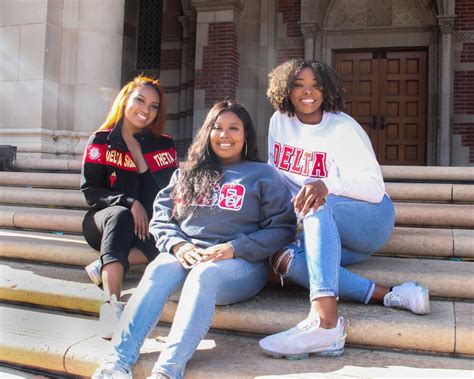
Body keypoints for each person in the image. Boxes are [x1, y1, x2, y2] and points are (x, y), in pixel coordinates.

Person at [91, 100, 296, 379]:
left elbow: (283, 228)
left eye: (233, 128)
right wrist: (178, 244)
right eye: (217, 128)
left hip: (238, 265)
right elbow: (161, 217)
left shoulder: (263, 175)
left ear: (246, 134)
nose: (225, 135)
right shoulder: (187, 173)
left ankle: (167, 371)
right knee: (160, 268)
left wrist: (234, 248)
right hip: (185, 256)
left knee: (205, 275)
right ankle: (116, 364)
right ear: (207, 133)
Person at [258, 59, 431, 360]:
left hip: (368, 220)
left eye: (315, 85)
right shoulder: (279, 121)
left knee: (316, 201)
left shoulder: (343, 128)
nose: (307, 92)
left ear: (326, 90)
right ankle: (390, 294)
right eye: (299, 85)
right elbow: (278, 177)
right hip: (323, 226)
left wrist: (327, 184)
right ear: (286, 89)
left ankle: (325, 323)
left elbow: (375, 189)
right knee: (285, 259)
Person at [80, 75, 178, 339]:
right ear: (125, 100)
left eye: (154, 106)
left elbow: (171, 190)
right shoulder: (100, 141)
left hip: (145, 227)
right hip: (105, 220)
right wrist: (128, 201)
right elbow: (90, 191)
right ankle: (111, 304)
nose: (145, 110)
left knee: (173, 239)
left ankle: (106, 262)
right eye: (140, 100)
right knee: (122, 215)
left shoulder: (164, 144)